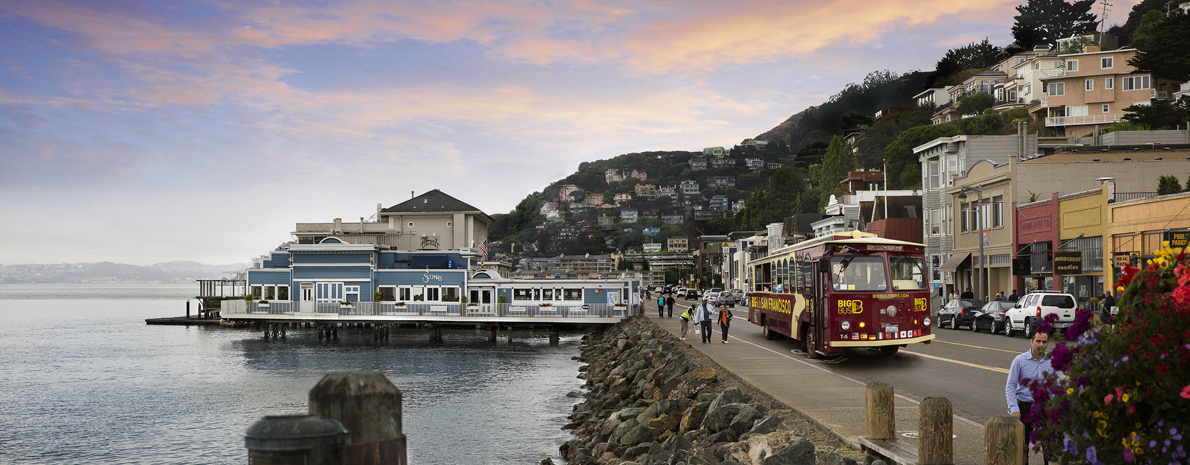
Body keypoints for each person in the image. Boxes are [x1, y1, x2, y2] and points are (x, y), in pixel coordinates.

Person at [1006, 326, 1054, 465]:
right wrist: (1014, 408)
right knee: (1022, 446)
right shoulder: (1019, 361)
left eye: (1044, 342)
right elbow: (1010, 385)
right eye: (1038, 341)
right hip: (1025, 407)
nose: (1041, 344)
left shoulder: (1052, 362)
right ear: (1031, 341)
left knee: (1048, 445)